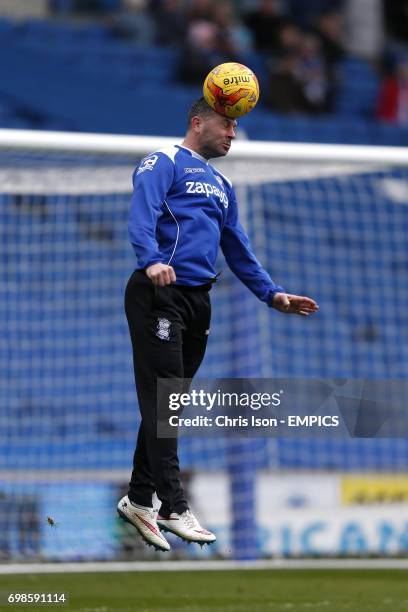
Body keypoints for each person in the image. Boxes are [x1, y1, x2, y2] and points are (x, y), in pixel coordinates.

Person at [117, 97, 319, 552]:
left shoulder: (223, 184)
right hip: (158, 294)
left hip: (198, 301)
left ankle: (138, 497)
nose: (232, 134)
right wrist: (149, 261)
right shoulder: (163, 161)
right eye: (226, 125)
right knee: (165, 395)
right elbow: (142, 215)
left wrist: (272, 294)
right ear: (197, 122)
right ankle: (172, 505)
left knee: (170, 404)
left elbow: (238, 247)